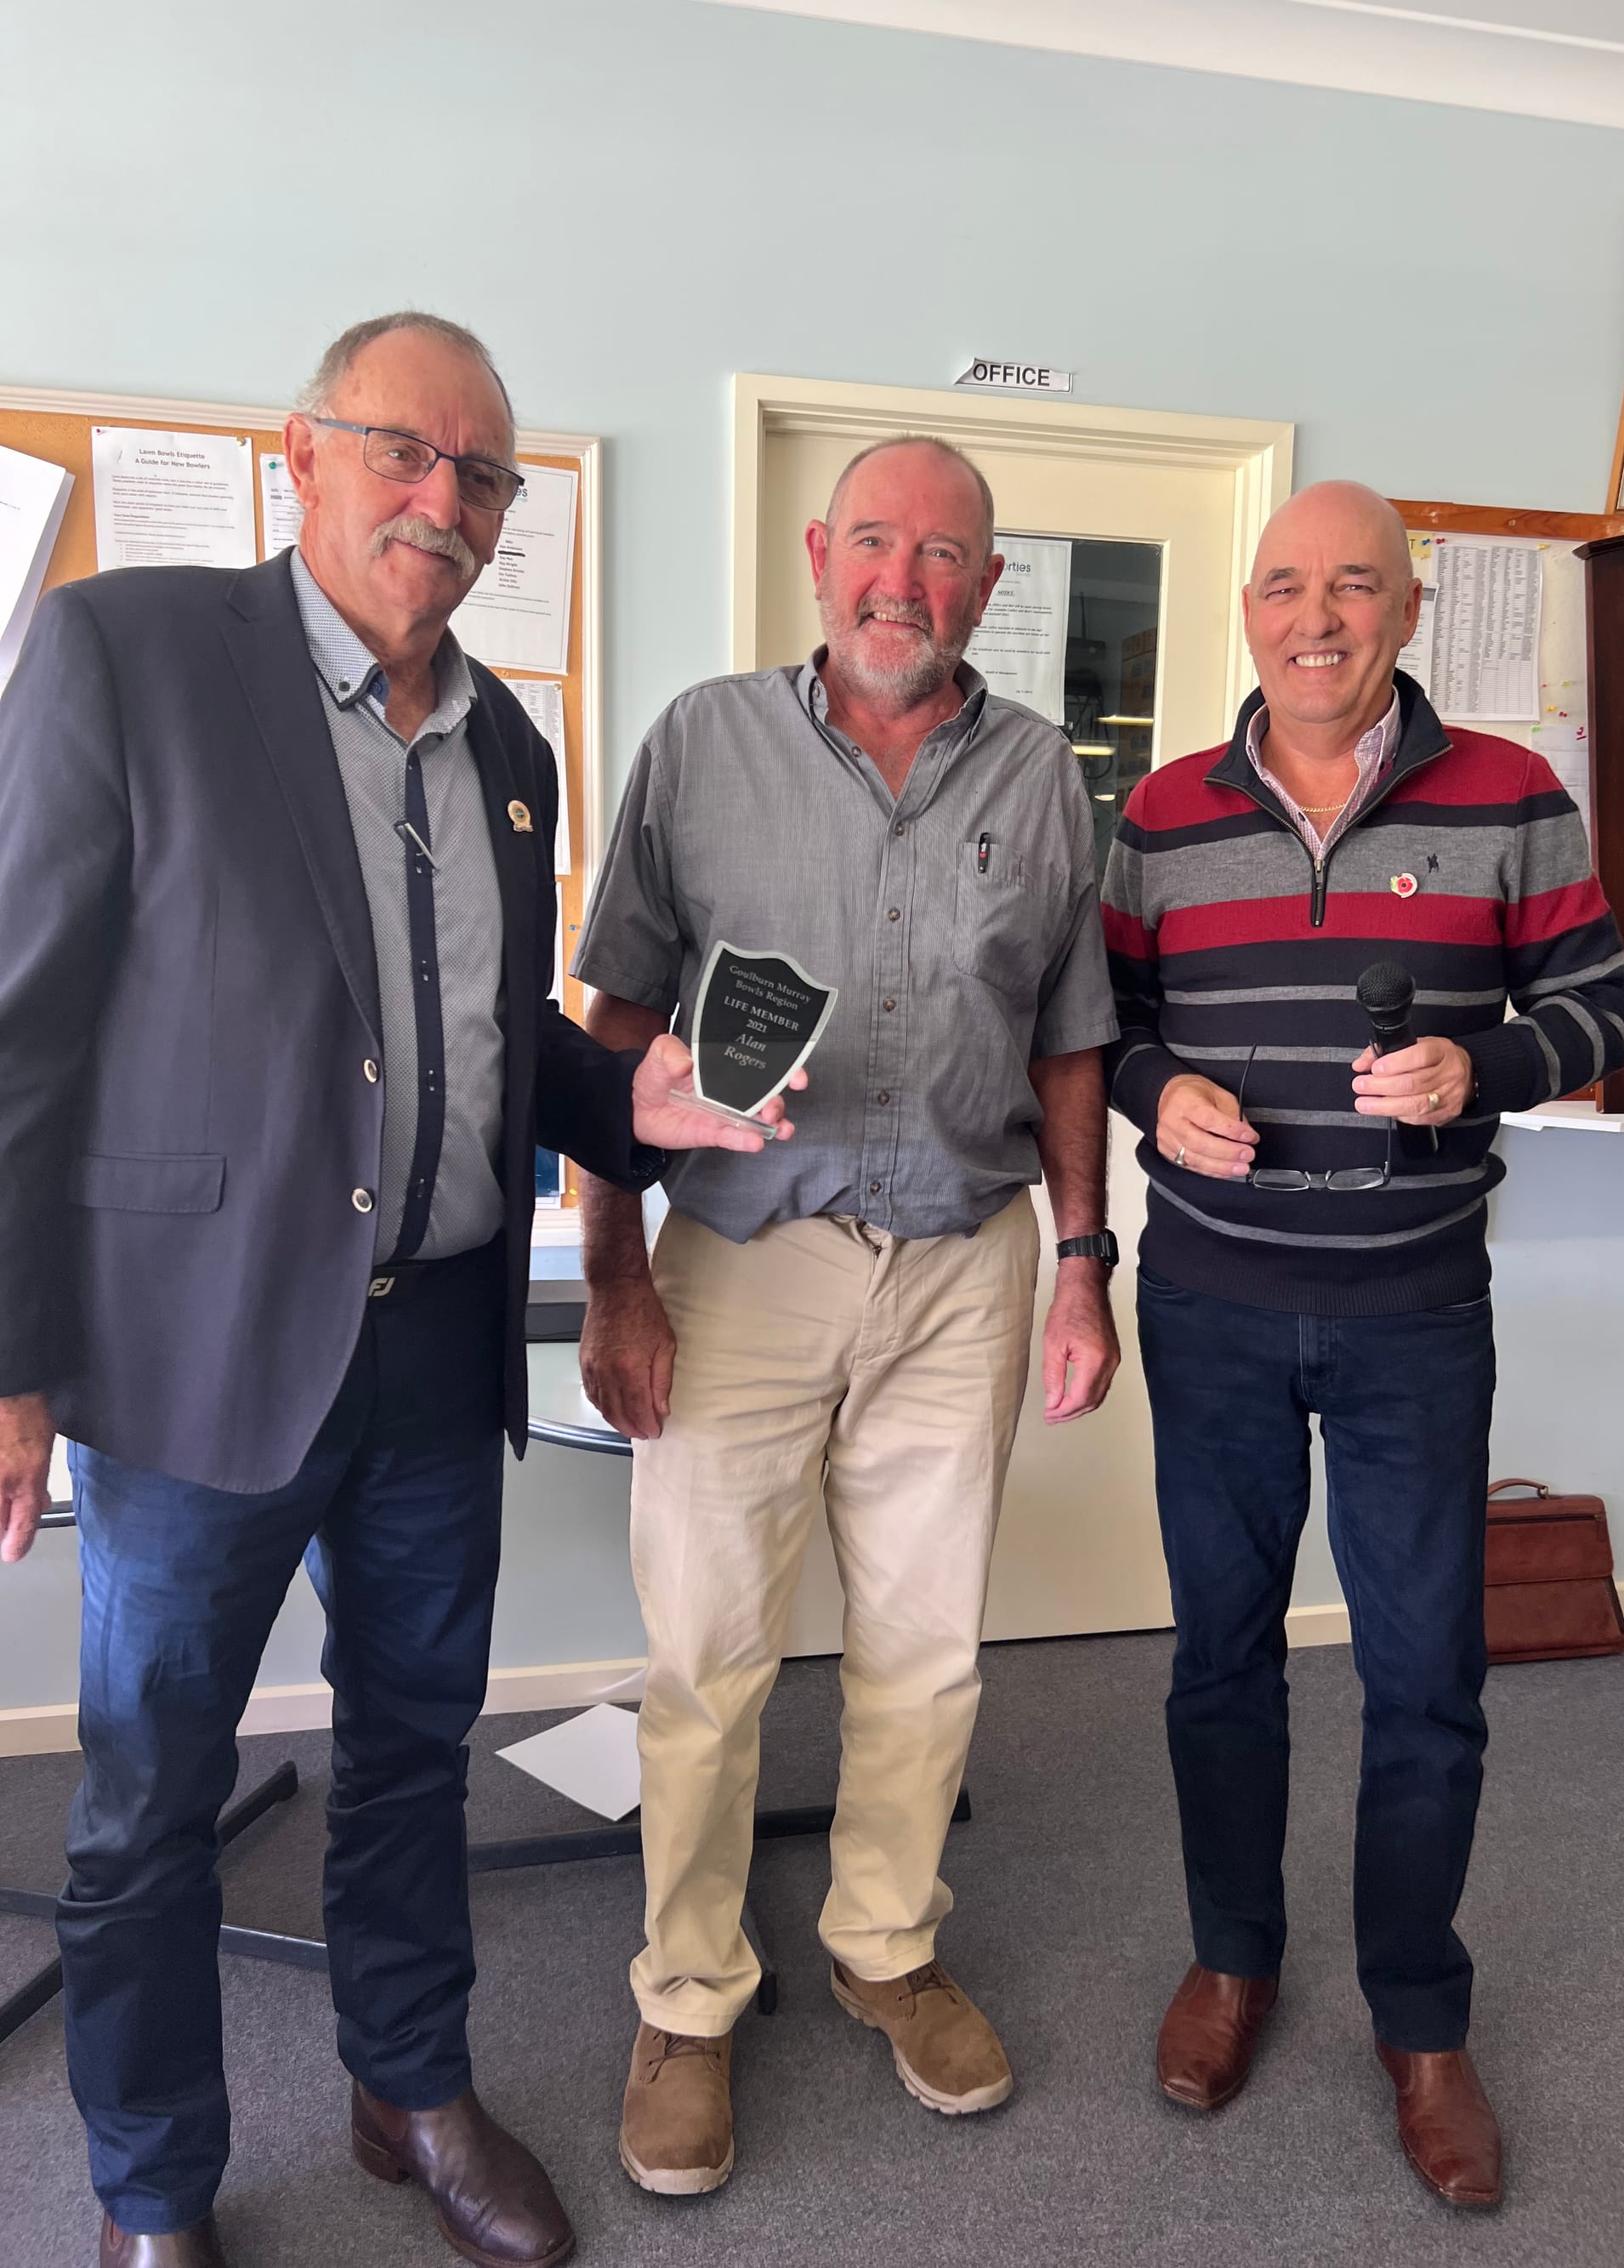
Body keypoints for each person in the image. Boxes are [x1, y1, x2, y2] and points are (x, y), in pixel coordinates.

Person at [0, 311, 798, 2268]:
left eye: (482, 475)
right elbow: (18, 1031)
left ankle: (408, 2085)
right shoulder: (130, 654)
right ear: (304, 454)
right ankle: (153, 2187)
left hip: (437, 1345)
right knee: (148, 1801)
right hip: (194, 1356)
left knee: (411, 1750)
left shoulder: (509, 743)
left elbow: (492, 1039)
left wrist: (635, 1101)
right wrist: (10, 1362)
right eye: (405, 453)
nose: (444, 500)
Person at [573, 435, 1121, 2194]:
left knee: (928, 1648)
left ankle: (884, 1942)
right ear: (819, 554)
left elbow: (1069, 1038)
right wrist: (613, 1272)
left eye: (943, 552)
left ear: (988, 584)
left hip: (965, 1260)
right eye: (874, 540)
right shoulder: (699, 744)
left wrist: (1086, 1258)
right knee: (707, 1655)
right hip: (743, 1258)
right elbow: (612, 1028)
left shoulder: (1041, 776)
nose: (904, 578)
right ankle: (687, 1993)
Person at [1101, 480, 1624, 2209]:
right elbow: (1105, 1022)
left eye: (1352, 586)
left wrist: (1484, 1067)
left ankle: (1419, 2016)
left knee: (1425, 1680)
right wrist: (1152, 1091)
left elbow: (1607, 1007)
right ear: (1247, 613)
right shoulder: (1162, 812)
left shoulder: (1511, 794)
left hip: (1416, 1314)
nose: (1315, 616)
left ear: (1405, 612)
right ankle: (1233, 1959)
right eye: (1284, 586)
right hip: (1210, 1307)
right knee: (1220, 1657)